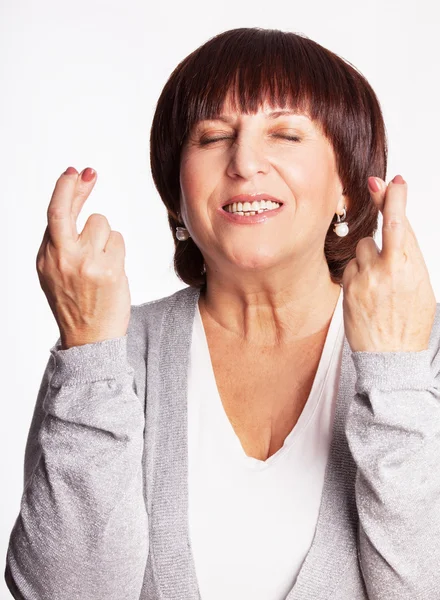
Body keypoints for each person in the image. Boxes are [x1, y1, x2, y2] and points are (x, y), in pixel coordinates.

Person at [4, 27, 440, 600]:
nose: (244, 162)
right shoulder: (111, 350)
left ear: (348, 188)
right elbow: (64, 594)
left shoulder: (422, 353)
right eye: (212, 137)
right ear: (175, 193)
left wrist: (393, 376)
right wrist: (87, 353)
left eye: (284, 133)